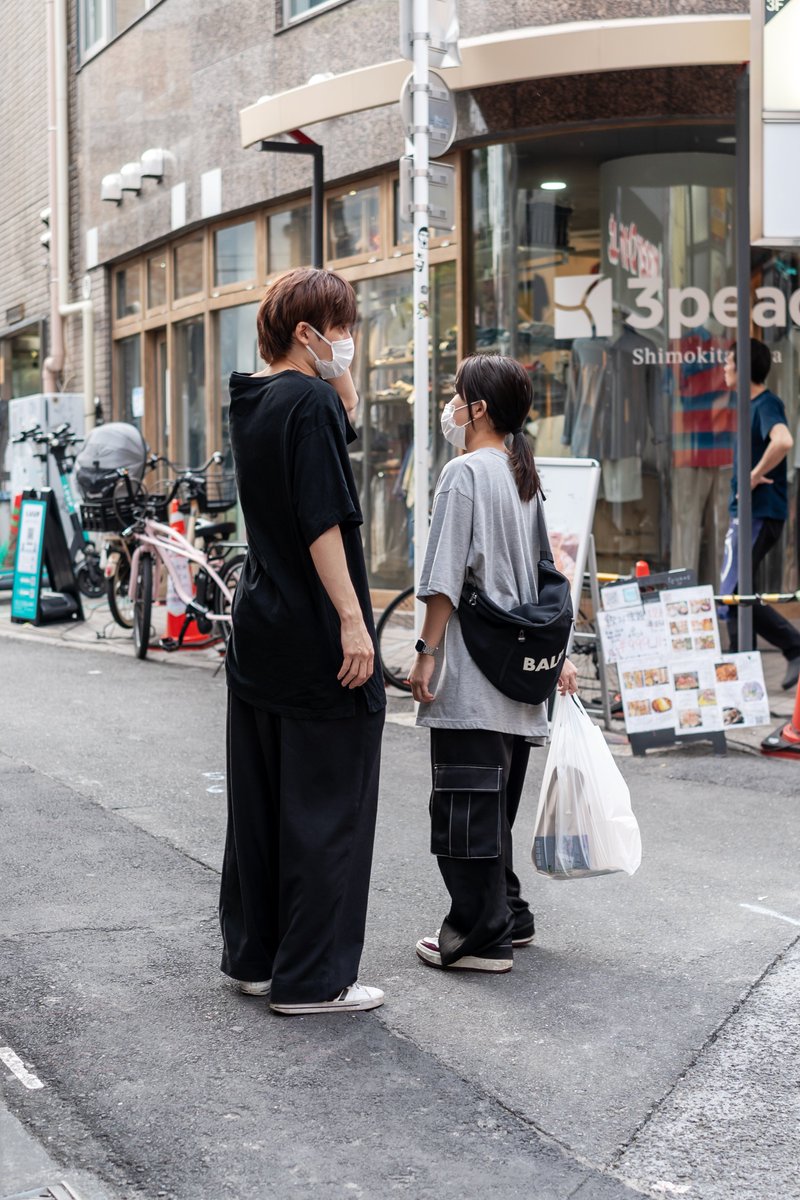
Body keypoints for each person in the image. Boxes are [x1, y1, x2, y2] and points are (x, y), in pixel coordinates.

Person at [220, 267, 386, 1015]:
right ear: (307, 333)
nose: (349, 341)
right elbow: (322, 518)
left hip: (260, 627)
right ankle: (314, 979)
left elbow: (312, 450)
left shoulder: (256, 399)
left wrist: (341, 390)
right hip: (317, 631)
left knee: (262, 801)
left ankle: (258, 956)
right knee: (327, 803)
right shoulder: (311, 399)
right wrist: (355, 619)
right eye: (342, 328)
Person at [407, 354, 578, 975]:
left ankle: (482, 940)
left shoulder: (465, 473)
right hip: (519, 672)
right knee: (493, 807)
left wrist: (426, 654)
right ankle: (510, 913)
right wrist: (560, 655)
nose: (452, 407)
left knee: (463, 813)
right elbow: (545, 577)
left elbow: (445, 577)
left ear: (478, 408)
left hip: (475, 674)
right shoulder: (520, 472)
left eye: (458, 397)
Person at [721, 339, 800, 690]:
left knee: (738, 592)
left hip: (762, 512)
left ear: (743, 368)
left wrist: (754, 475)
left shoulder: (767, 403)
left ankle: (785, 650)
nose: (724, 367)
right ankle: (744, 676)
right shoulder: (748, 404)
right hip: (749, 514)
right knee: (737, 592)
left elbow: (783, 441)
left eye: (728, 362)